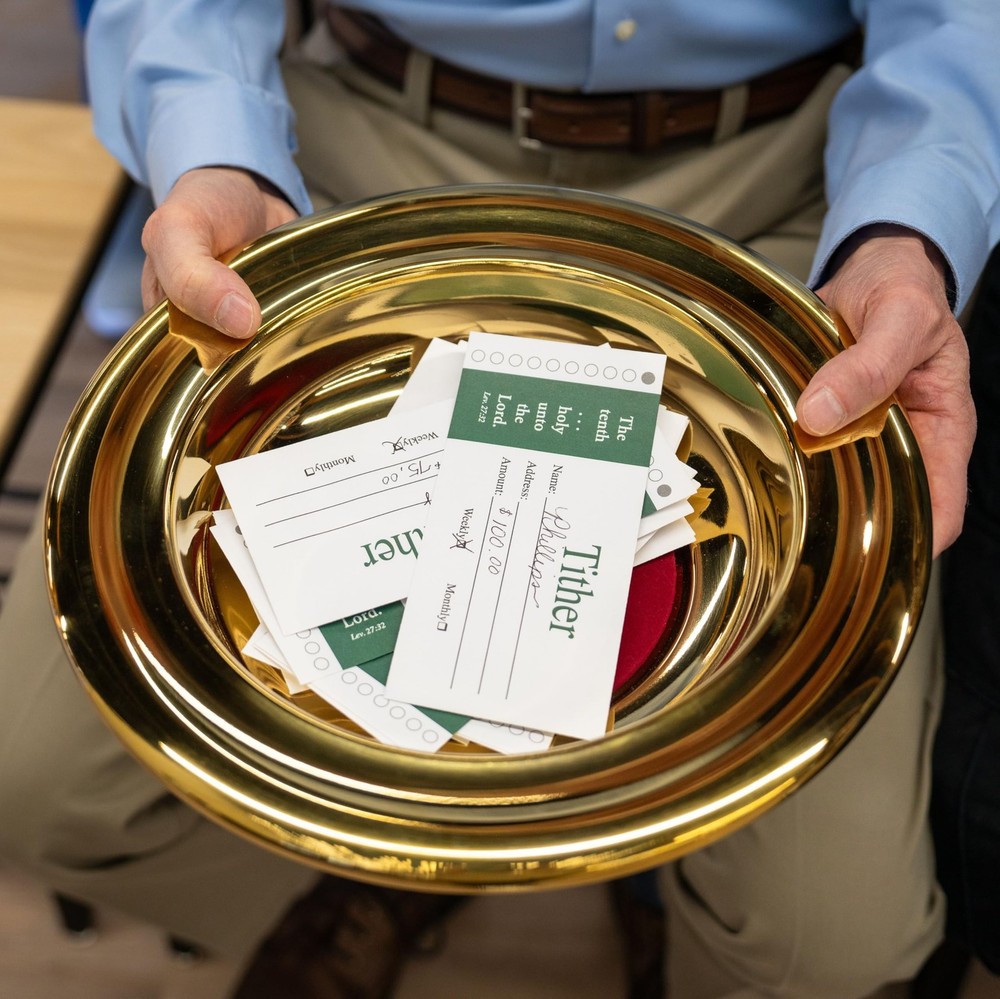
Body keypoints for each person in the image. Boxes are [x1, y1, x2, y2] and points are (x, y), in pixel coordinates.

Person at [0, 2, 997, 997]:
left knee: (825, 948)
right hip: (365, 155)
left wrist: (905, 229)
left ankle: (651, 886)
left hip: (783, 186)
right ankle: (374, 868)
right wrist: (216, 150)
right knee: (38, 780)